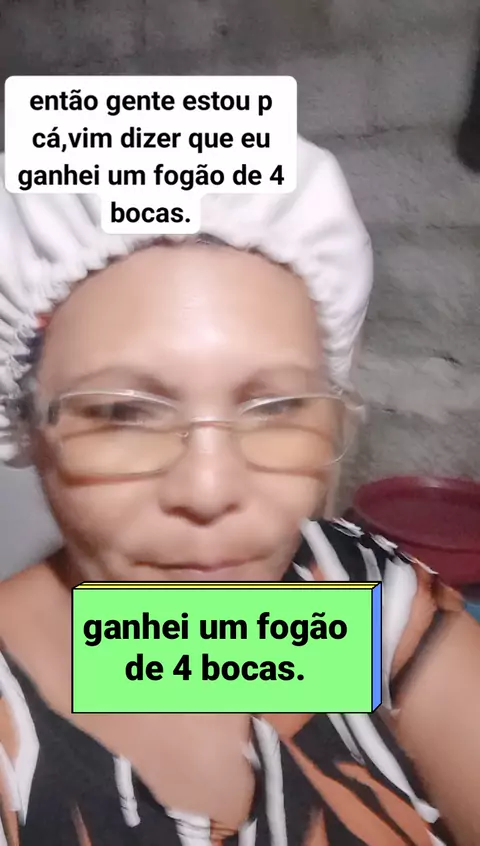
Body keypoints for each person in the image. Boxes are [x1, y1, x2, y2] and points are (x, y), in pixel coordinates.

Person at [0, 136, 478, 846]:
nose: (210, 490)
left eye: (277, 407)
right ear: (26, 426)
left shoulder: (357, 590)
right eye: (123, 412)